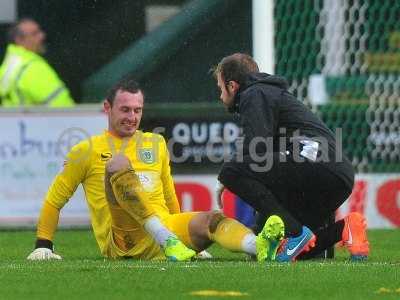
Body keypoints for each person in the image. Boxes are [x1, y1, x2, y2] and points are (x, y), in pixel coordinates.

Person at [27, 77, 285, 262]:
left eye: (137, 110)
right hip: (124, 239)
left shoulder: (155, 142)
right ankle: (167, 239)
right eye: (125, 109)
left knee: (212, 219)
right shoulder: (86, 150)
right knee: (118, 163)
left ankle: (258, 246)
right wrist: (43, 245)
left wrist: (190, 241)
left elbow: (167, 191)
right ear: (107, 108)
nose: (132, 116)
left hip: (167, 228)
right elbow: (54, 200)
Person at [213, 53, 369, 262]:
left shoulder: (254, 93)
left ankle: (296, 234)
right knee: (278, 248)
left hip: (314, 164)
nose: (220, 96)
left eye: (220, 88)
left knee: (231, 169)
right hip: (336, 174)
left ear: (232, 85)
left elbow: (255, 149)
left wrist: (229, 176)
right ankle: (345, 228)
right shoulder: (271, 94)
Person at [0, 18, 74, 107]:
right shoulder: (32, 67)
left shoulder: (8, 66)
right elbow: (63, 107)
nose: (42, 36)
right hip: (38, 120)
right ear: (19, 40)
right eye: (35, 34)